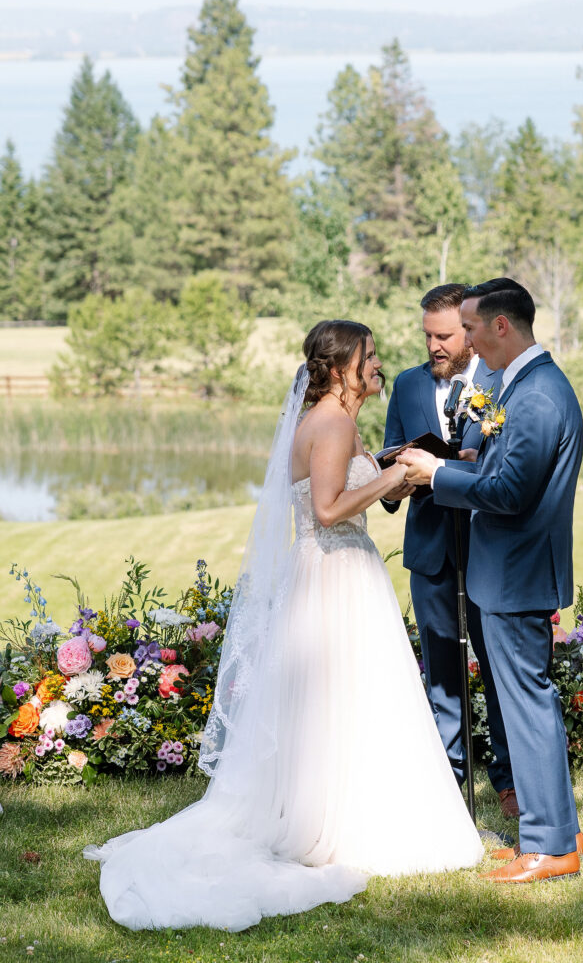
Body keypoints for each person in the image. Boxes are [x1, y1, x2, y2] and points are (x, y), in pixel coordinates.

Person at [84, 320, 483, 930]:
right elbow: (326, 510)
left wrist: (383, 459)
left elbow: (328, 483)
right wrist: (398, 477)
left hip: (330, 572)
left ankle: (329, 804)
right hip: (335, 570)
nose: (378, 365)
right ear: (342, 367)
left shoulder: (329, 422)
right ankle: (339, 821)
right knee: (349, 694)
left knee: (341, 700)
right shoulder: (334, 421)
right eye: (369, 357)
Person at [399, 278, 583, 884]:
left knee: (527, 706)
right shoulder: (528, 386)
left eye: (473, 328)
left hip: (514, 572)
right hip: (510, 571)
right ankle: (551, 829)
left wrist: (436, 473)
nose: (467, 340)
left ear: (501, 326)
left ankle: (552, 846)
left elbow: (508, 491)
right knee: (527, 702)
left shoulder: (534, 397)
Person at [383, 283, 516, 816]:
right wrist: (401, 472)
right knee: (441, 670)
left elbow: (511, 470)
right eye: (428, 336)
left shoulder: (501, 381)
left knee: (498, 665)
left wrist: (457, 466)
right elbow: (392, 464)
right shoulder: (407, 384)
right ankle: (449, 786)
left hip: (489, 547)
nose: (434, 346)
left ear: (469, 330)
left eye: (444, 336)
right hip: (431, 547)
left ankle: (510, 783)